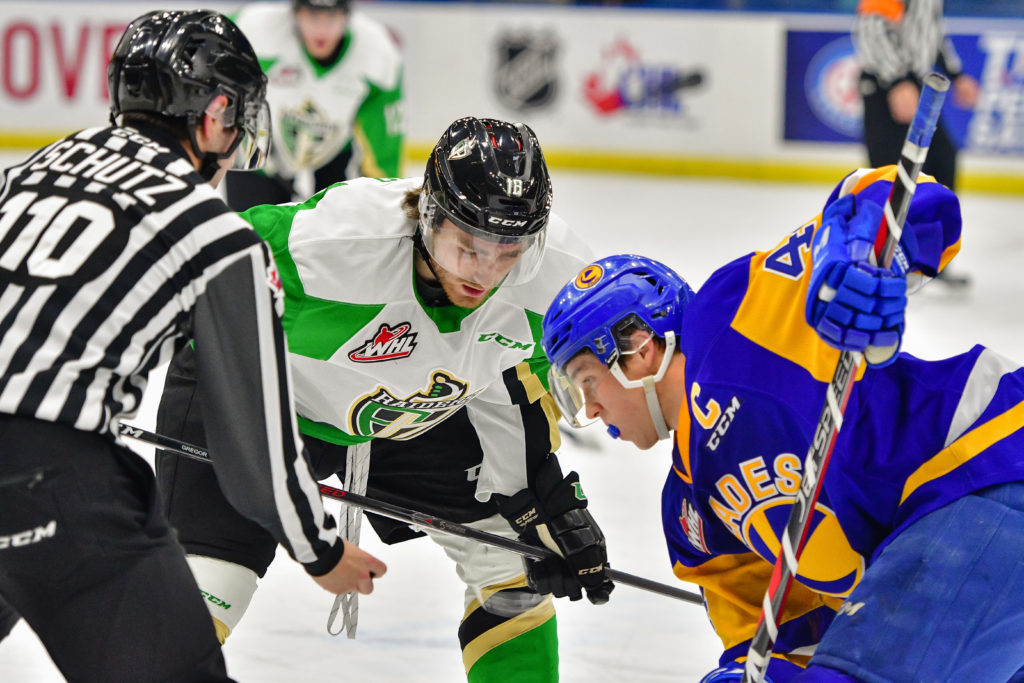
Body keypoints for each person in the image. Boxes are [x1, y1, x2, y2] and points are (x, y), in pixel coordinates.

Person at [155, 116, 615, 681]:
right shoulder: (334, 245)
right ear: (429, 216)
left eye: (509, 251)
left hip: (410, 412)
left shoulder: (555, 280)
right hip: (262, 399)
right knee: (203, 590)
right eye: (468, 248)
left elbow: (520, 393)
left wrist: (542, 506)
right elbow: (195, 266)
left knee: (518, 570)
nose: (487, 274)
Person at [0, 10, 386, 681]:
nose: (238, 145)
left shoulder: (29, 172)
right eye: (237, 120)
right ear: (213, 116)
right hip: (53, 479)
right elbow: (253, 442)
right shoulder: (221, 236)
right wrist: (320, 549)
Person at [541, 166, 1024, 681]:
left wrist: (858, 251)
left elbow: (903, 195)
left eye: (586, 381)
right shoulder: (689, 517)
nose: (589, 410)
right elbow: (787, 638)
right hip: (939, 562)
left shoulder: (729, 319)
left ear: (638, 349)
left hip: (985, 471)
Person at [224, 0, 404, 211]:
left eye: (331, 17)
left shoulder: (378, 54)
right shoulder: (256, 29)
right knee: (250, 233)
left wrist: (386, 202)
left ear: (347, 16)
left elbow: (385, 144)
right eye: (312, 16)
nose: (321, 29)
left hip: (333, 152)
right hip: (259, 155)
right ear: (296, 13)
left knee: (334, 232)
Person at [853, 0, 979, 287]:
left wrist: (956, 74)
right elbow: (871, 29)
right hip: (886, 86)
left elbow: (930, 32)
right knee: (890, 176)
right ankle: (879, 263)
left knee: (941, 165)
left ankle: (929, 261)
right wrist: (897, 81)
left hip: (914, 85)